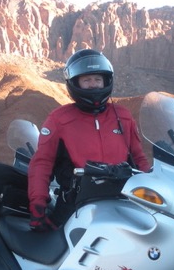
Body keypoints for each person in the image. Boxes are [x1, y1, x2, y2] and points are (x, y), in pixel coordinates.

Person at [27, 49, 150, 232]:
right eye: (87, 80)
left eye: (97, 79)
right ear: (75, 83)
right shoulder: (59, 119)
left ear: (106, 81)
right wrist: (38, 204)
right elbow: (42, 163)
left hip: (122, 201)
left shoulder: (122, 116)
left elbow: (139, 159)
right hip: (74, 205)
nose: (93, 85)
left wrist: (152, 189)